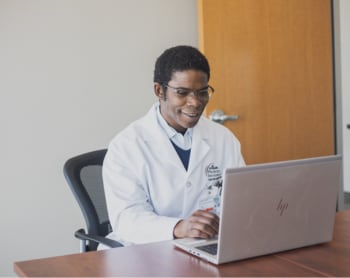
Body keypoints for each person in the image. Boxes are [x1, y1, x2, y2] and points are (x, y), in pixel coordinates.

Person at [102, 45, 245, 247]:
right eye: (182, 92)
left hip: (207, 245)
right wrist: (178, 227)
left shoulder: (223, 138)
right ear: (159, 91)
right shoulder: (126, 146)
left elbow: (240, 200)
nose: (195, 102)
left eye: (202, 92)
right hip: (146, 250)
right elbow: (126, 218)